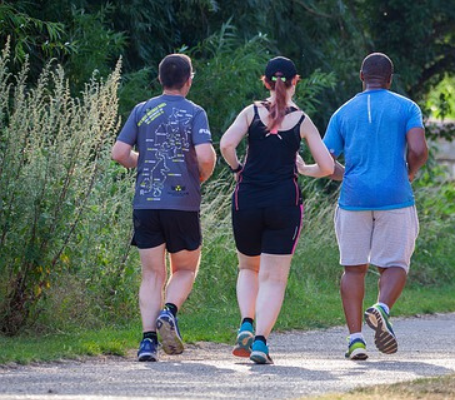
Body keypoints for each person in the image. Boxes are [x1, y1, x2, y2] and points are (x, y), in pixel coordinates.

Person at [312, 53, 427, 360]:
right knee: (396, 264)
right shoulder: (407, 107)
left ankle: (355, 341)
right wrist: (409, 172)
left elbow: (325, 160)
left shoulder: (343, 113)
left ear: (361, 76)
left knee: (353, 267)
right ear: (390, 79)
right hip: (395, 196)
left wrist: (345, 176)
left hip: (354, 199)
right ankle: (381, 308)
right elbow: (418, 148)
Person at [220, 56, 334, 364]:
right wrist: (304, 169)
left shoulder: (251, 112)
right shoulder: (302, 120)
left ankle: (246, 322)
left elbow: (226, 144)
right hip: (284, 203)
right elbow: (326, 166)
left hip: (247, 200)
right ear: (295, 82)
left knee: (248, 268)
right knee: (274, 278)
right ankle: (260, 343)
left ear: (266, 82)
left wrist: (237, 169)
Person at [111, 54, 216, 362]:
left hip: (146, 202)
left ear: (160, 79)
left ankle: (147, 343)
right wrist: (199, 177)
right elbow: (206, 157)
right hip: (182, 203)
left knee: (151, 275)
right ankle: (169, 312)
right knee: (185, 268)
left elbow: (119, 152)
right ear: (189, 80)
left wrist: (140, 163)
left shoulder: (141, 110)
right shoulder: (195, 113)